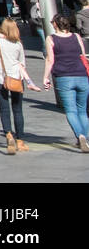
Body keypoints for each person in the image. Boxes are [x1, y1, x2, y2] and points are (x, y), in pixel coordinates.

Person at [0, 18, 42, 154]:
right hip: (16, 79)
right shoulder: (18, 43)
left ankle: (8, 136)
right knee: (18, 110)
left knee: (4, 110)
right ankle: (20, 141)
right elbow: (22, 64)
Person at [41, 13, 89, 152]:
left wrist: (46, 77)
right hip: (81, 75)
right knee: (82, 111)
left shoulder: (51, 39)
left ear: (55, 24)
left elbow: (50, 60)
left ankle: (80, 136)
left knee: (71, 111)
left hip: (64, 77)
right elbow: (82, 55)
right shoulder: (76, 37)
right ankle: (85, 138)